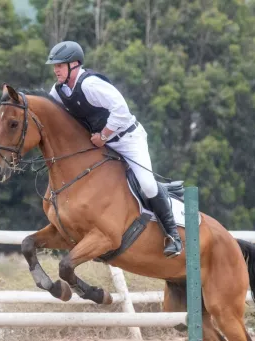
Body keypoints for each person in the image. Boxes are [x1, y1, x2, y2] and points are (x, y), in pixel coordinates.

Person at [45, 40, 183, 258]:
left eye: (60, 65)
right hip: (98, 144)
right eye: (55, 66)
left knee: (147, 185)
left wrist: (104, 135)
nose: (56, 70)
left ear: (75, 64)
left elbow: (121, 110)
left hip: (127, 139)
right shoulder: (58, 90)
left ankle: (173, 236)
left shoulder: (91, 85)